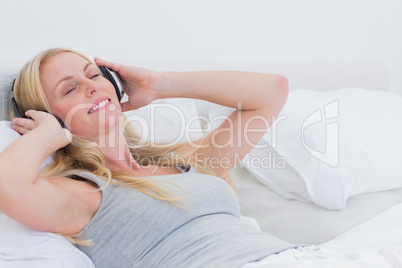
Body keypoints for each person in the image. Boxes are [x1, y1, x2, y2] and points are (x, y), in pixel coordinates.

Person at [0, 48, 295, 267]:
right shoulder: (83, 194)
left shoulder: (182, 161)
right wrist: (47, 134)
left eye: (94, 75)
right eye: (69, 89)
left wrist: (158, 84)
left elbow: (272, 92)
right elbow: (8, 187)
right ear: (49, 116)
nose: (93, 86)